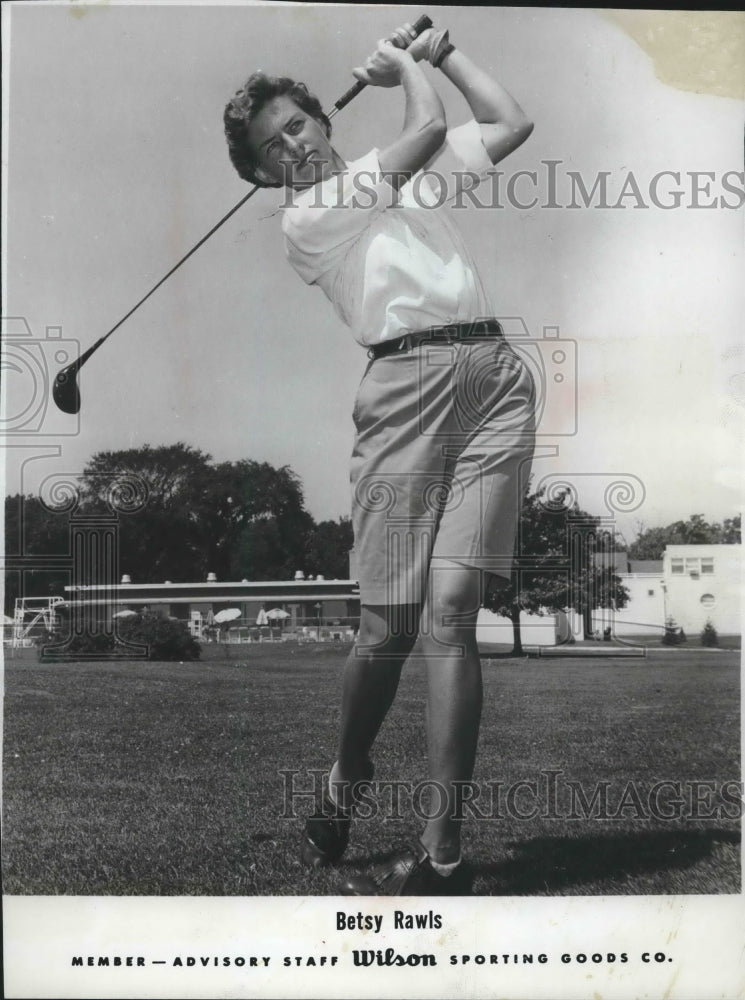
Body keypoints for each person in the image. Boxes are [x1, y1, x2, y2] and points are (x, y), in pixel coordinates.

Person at [224, 23, 536, 895]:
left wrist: (441, 53)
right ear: (258, 173)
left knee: (448, 616)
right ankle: (345, 776)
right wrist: (405, 66)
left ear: (323, 119)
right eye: (270, 143)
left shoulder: (387, 172)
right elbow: (428, 127)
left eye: (298, 123)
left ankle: (442, 855)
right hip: (402, 392)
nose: (293, 142)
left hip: (493, 380)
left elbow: (508, 122)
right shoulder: (309, 216)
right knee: (385, 631)